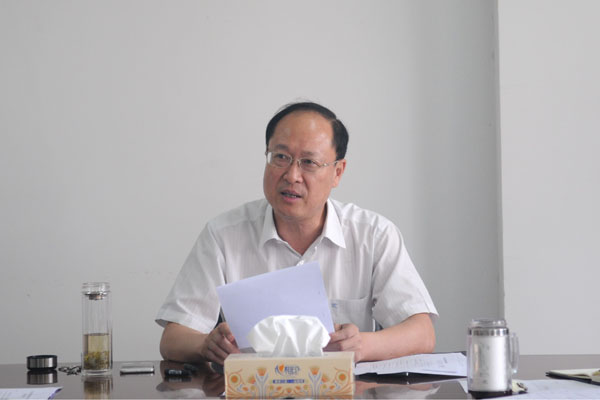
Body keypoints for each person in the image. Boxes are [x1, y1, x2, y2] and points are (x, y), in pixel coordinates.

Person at [156, 101, 438, 365]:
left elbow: (422, 333)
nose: (291, 175)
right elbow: (173, 338)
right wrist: (206, 344)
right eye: (281, 157)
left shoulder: (374, 235)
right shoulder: (223, 235)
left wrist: (361, 345)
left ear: (338, 172)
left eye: (309, 162)